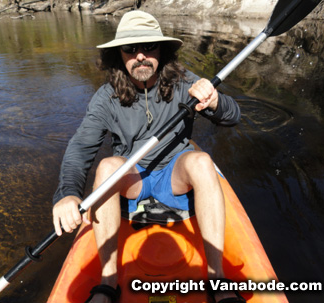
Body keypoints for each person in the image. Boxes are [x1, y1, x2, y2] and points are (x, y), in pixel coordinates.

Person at [52, 10, 244, 303]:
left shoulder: (184, 83)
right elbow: (80, 149)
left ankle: (217, 280)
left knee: (201, 160)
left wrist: (216, 102)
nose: (140, 56)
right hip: (134, 181)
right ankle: (107, 283)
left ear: (161, 50)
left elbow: (233, 117)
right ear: (119, 54)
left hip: (175, 176)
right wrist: (67, 194)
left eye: (149, 47)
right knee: (106, 166)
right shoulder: (106, 98)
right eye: (130, 49)